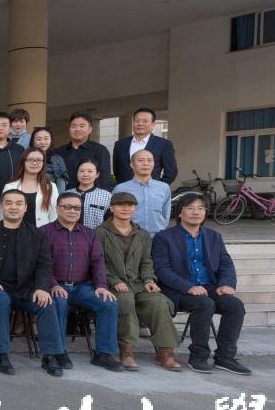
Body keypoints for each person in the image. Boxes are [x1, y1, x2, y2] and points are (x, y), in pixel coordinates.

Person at [152, 194, 251, 375]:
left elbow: (226, 264)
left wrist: (227, 283)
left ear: (205, 213)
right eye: (190, 208)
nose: (195, 212)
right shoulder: (164, 237)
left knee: (235, 305)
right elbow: (162, 270)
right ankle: (198, 356)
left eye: (200, 208)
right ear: (180, 212)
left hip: (208, 287)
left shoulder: (214, 237)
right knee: (204, 304)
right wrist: (188, 287)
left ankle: (225, 357)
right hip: (178, 290)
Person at [0, 189, 65, 376]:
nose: (13, 207)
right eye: (8, 203)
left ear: (25, 208)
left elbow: (44, 264)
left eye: (18, 203)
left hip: (25, 289)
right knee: (0, 300)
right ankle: (1, 355)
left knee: (47, 302)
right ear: (1, 206)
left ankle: (50, 356)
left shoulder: (37, 235)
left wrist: (41, 288)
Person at [96, 191, 181, 371]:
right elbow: (97, 263)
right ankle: (127, 350)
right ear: (112, 208)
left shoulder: (142, 234)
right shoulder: (100, 233)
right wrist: (113, 280)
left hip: (138, 284)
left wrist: (149, 279)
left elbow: (146, 261)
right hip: (111, 285)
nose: (125, 208)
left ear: (135, 209)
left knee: (159, 302)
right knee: (125, 300)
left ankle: (165, 351)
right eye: (120, 205)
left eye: (130, 205)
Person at [42, 192, 123, 372]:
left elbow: (98, 262)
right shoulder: (45, 232)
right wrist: (53, 284)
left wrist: (101, 286)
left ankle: (103, 354)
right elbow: (41, 264)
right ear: (57, 209)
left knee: (108, 303)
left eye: (77, 208)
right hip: (55, 286)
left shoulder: (89, 234)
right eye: (67, 207)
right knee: (58, 302)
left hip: (82, 287)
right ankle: (58, 352)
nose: (73, 211)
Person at [113, 108, 178, 185]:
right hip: (125, 190)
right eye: (137, 121)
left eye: (145, 121)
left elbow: (171, 172)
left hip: (151, 190)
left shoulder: (163, 144)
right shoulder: (120, 144)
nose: (140, 124)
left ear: (153, 124)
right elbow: (116, 171)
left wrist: (157, 187)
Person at [113, 150, 171, 236]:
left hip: (157, 237)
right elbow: (115, 214)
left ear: (154, 164)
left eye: (149, 160)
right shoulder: (121, 188)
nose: (145, 164)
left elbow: (166, 215)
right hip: (130, 237)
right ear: (132, 165)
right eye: (141, 160)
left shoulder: (164, 188)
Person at [2, 148, 59, 228]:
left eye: (39, 160)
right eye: (30, 160)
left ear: (43, 163)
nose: (34, 163)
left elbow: (54, 215)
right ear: (23, 162)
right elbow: (2, 214)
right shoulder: (10, 186)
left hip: (41, 232)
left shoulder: (50, 187)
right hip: (14, 231)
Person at [55, 112, 112, 190]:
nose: (77, 129)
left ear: (90, 129)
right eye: (74, 126)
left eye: (82, 126)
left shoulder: (100, 150)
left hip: (91, 196)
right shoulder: (60, 151)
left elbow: (104, 179)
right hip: (63, 195)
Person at [32, 127, 70, 195]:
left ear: (51, 140)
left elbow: (61, 180)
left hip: (50, 195)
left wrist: (59, 198)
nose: (43, 142)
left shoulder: (57, 159)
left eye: (46, 138)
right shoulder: (27, 157)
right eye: (39, 139)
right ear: (33, 141)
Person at [75, 160, 112, 230]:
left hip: (96, 235)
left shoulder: (106, 196)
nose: (85, 174)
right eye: (81, 171)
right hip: (69, 235)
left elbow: (110, 221)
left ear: (97, 174)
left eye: (90, 171)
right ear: (77, 173)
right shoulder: (67, 194)